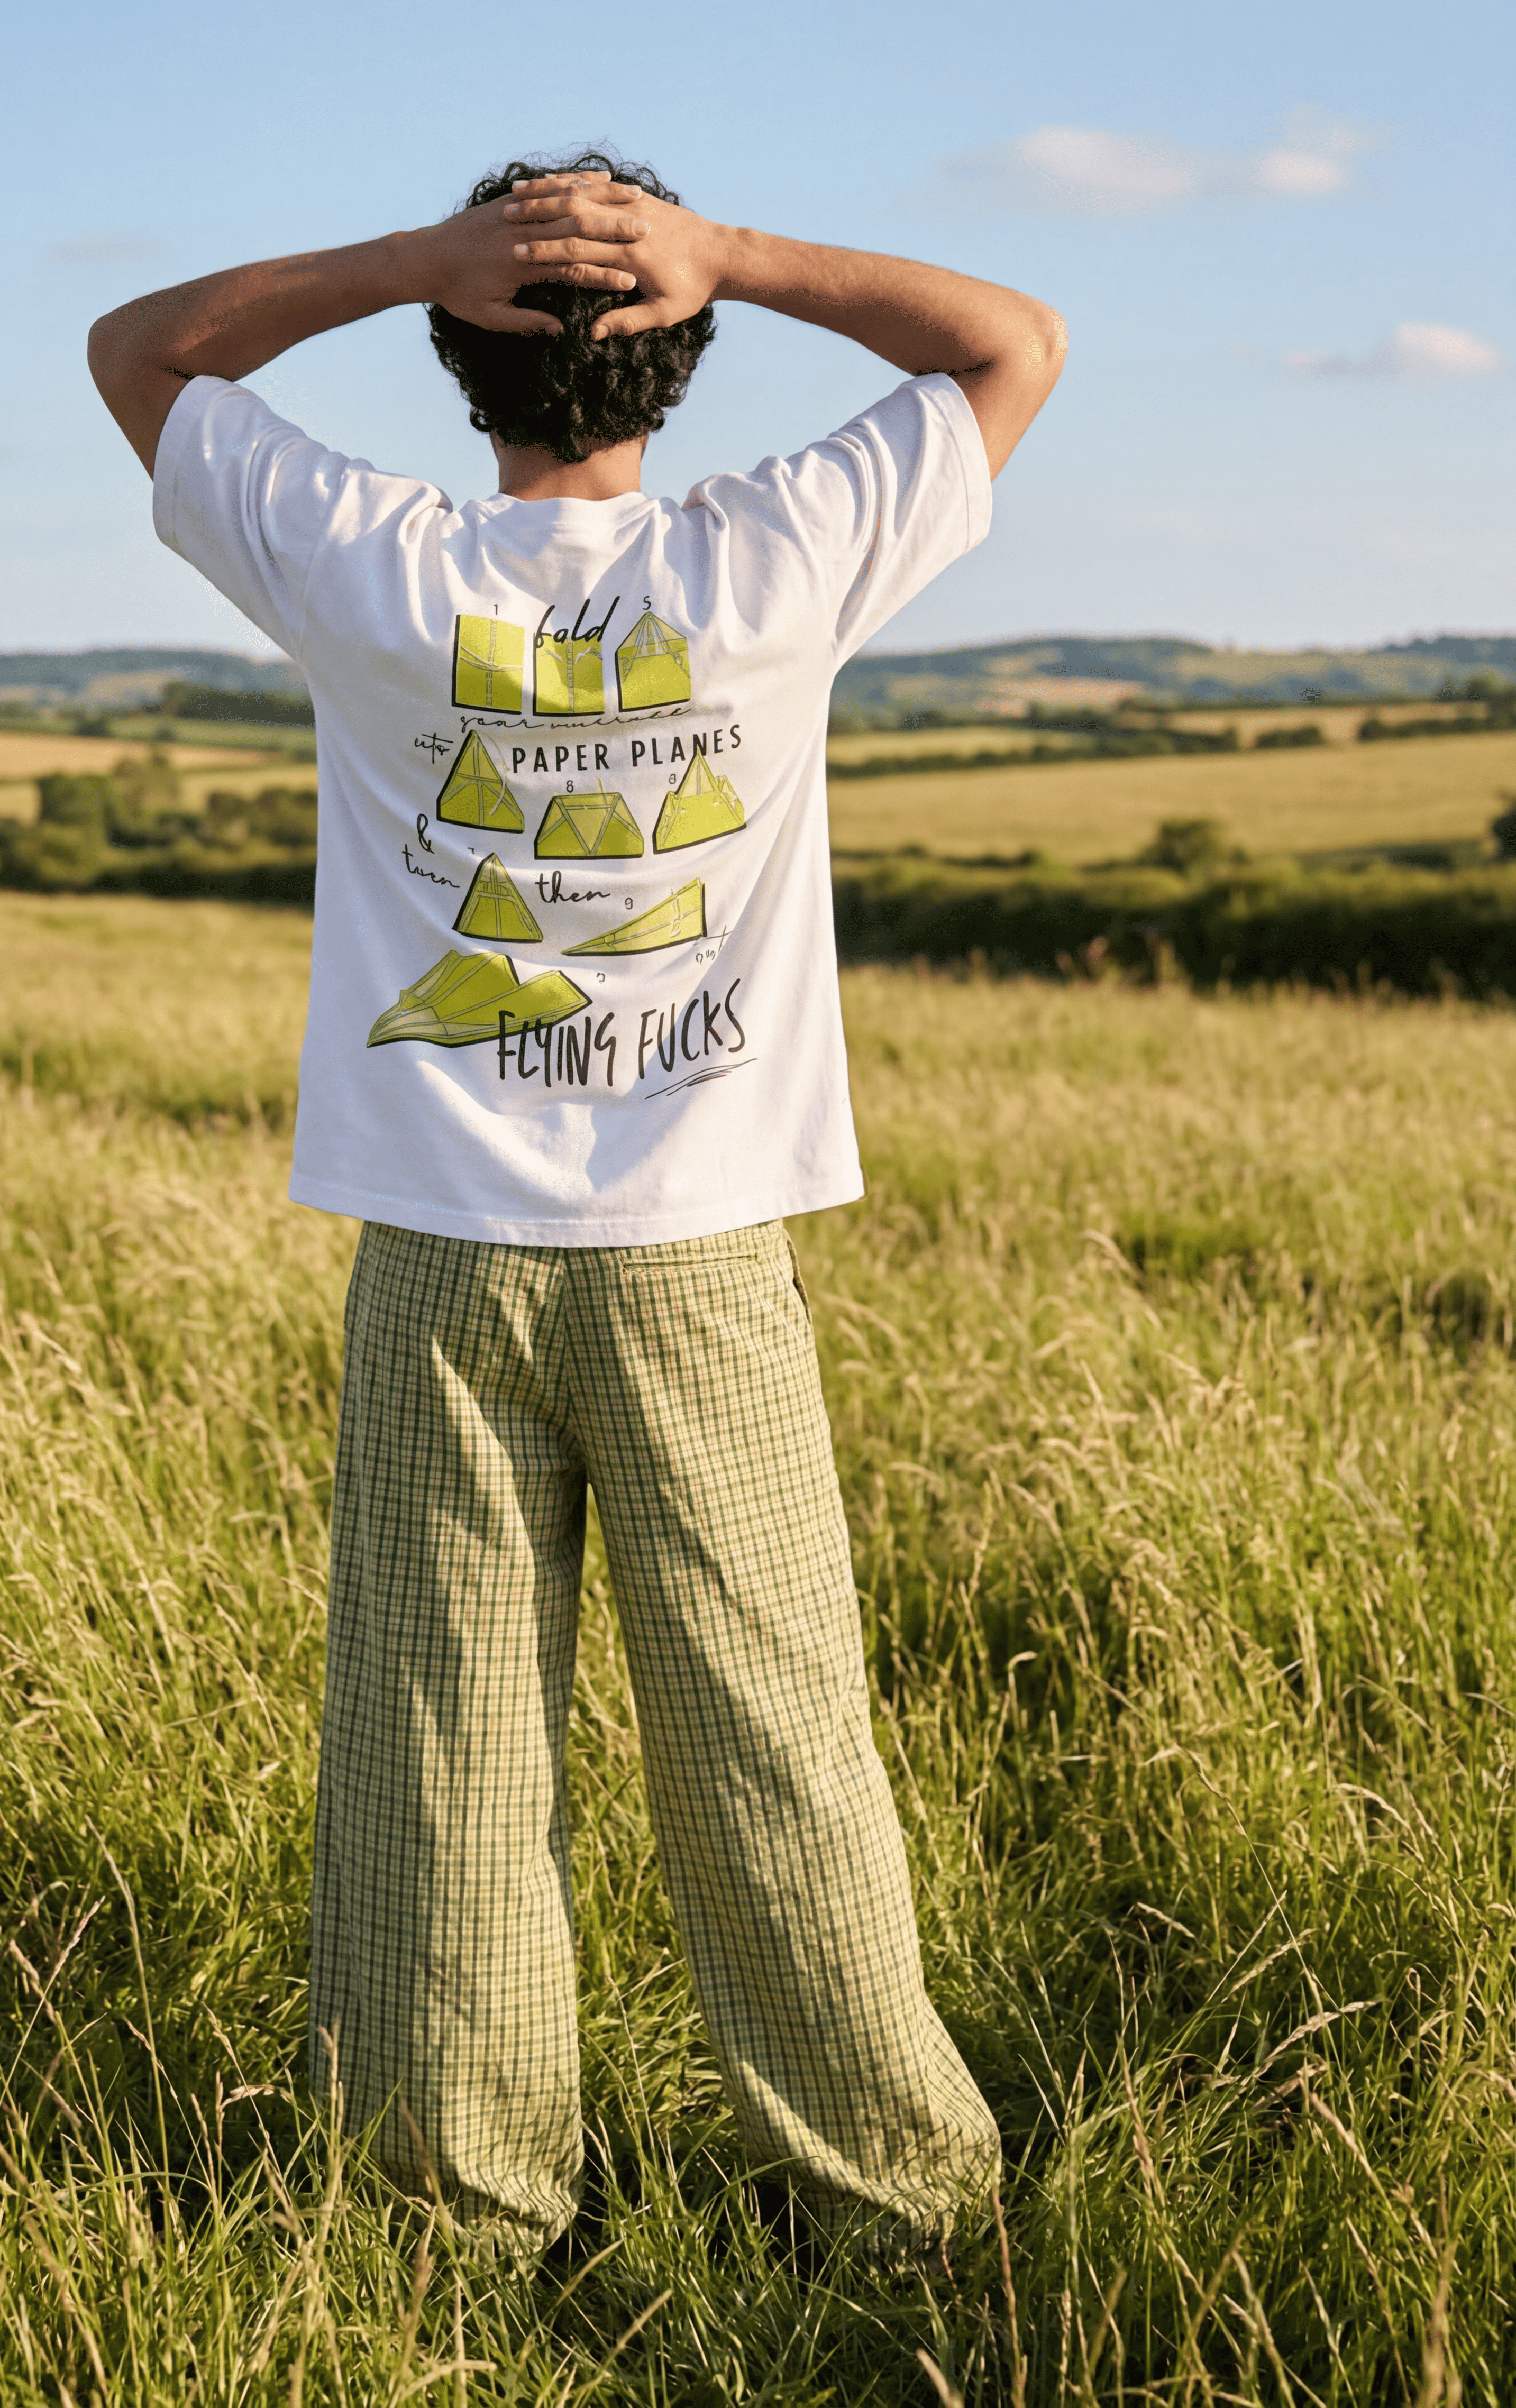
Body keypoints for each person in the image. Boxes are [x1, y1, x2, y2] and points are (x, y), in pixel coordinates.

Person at [88, 154, 1065, 2260]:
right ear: (684, 356)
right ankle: (892, 2204)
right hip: (702, 1251)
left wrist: (407, 262)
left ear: (457, 359)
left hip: (436, 1248)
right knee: (774, 1736)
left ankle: (452, 2223)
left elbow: (138, 353)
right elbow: (1007, 343)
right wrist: (729, 254)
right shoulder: (776, 556)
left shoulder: (363, 562)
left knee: (434, 1750)